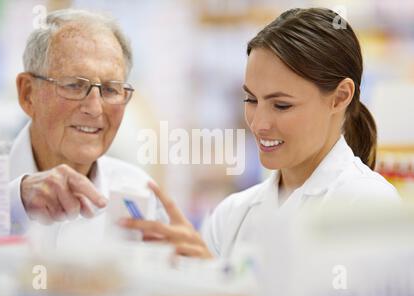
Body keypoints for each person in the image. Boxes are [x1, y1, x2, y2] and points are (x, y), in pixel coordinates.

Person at [120, 8, 400, 258]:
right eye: (251, 100)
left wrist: (227, 287)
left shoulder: (371, 208)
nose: (259, 123)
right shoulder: (232, 215)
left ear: (340, 98)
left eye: (281, 105)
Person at [9, 8, 165, 236]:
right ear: (28, 94)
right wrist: (15, 201)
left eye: (111, 89)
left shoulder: (140, 195)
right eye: (74, 85)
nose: (94, 108)